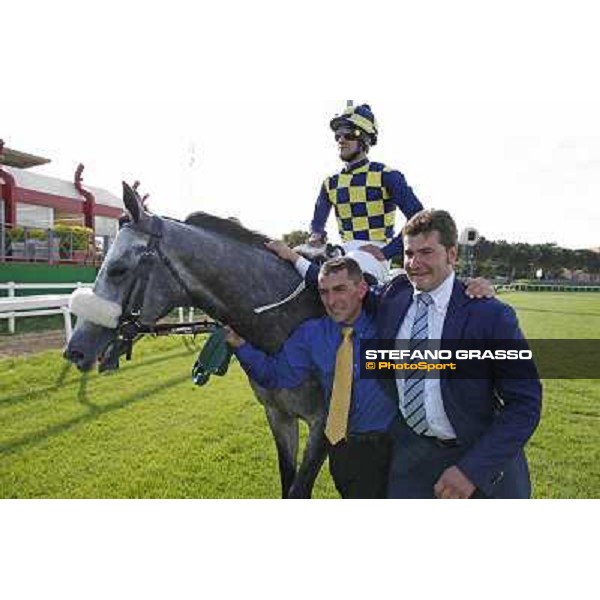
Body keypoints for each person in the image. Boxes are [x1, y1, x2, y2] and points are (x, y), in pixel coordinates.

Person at [269, 209, 541, 498]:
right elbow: (345, 288)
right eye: (409, 254)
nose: (415, 263)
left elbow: (525, 403)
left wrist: (472, 470)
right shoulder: (395, 296)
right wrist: (293, 257)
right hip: (411, 458)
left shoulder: (490, 315)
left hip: (475, 458)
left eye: (426, 252)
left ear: (452, 254)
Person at [226, 257, 398, 499]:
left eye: (340, 290)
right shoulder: (311, 335)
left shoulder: (388, 323)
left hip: (395, 446)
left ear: (361, 290)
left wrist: (469, 288)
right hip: (344, 452)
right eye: (324, 292)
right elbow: (276, 375)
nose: (331, 301)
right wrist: (241, 345)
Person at [308, 102, 423, 280]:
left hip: (374, 256)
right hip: (342, 251)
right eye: (337, 135)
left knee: (343, 271)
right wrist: (316, 237)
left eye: (348, 134)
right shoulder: (330, 182)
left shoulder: (387, 175)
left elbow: (419, 218)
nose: (341, 140)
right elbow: (317, 224)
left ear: (365, 139)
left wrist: (387, 251)